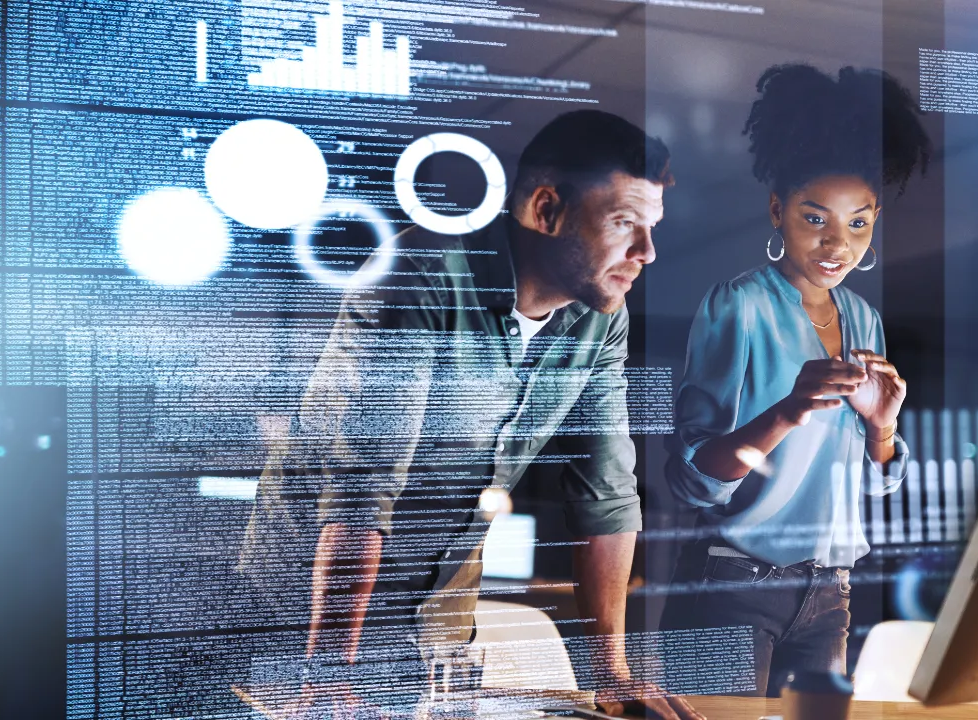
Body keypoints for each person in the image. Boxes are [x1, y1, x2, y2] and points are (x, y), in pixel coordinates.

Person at [238, 110, 702, 719]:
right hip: (304, 620)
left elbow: (607, 496)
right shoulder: (419, 271)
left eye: (652, 227)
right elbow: (361, 492)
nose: (647, 252)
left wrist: (610, 673)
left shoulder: (601, 317)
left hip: (435, 625)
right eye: (624, 224)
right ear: (545, 209)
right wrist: (325, 674)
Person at [661, 64, 931, 696]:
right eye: (816, 218)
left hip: (829, 592)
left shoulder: (865, 319)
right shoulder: (739, 305)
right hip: (733, 585)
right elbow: (691, 481)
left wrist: (883, 428)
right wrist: (787, 409)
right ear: (779, 211)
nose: (839, 242)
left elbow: (874, 484)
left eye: (859, 222)